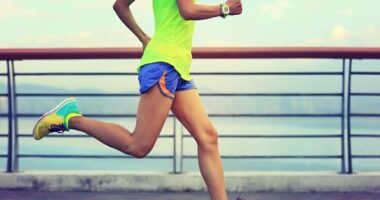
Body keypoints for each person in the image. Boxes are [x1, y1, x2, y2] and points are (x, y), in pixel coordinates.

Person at [33, 0, 242, 199]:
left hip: (178, 66)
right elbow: (187, 11)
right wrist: (224, 8)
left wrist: (144, 38)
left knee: (208, 138)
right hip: (165, 65)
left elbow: (120, 5)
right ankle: (70, 118)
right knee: (138, 145)